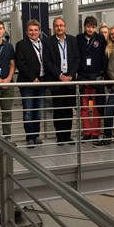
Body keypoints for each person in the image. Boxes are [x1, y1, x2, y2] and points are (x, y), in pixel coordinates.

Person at [43, 17, 80, 145]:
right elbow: (47, 62)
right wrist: (60, 75)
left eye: (61, 25)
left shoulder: (72, 40)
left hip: (69, 81)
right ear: (54, 28)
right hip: (57, 81)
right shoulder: (47, 42)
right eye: (57, 25)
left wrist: (70, 75)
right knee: (58, 109)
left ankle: (68, 135)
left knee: (69, 109)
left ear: (65, 27)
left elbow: (77, 58)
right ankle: (60, 136)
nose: (59, 28)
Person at [15, 20, 46, 147]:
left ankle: (36, 135)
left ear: (39, 31)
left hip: (41, 83)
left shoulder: (44, 43)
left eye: (35, 30)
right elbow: (20, 63)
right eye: (30, 30)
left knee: (38, 111)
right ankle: (29, 137)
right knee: (28, 111)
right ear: (27, 32)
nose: (33, 32)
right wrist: (33, 77)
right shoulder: (21, 44)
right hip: (28, 83)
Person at [76, 16, 107, 142]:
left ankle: (95, 132)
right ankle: (87, 132)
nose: (90, 29)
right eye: (88, 26)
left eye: (93, 27)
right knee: (83, 108)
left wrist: (102, 74)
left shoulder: (100, 39)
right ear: (84, 26)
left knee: (95, 107)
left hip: (96, 78)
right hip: (83, 77)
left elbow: (104, 58)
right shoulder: (78, 38)